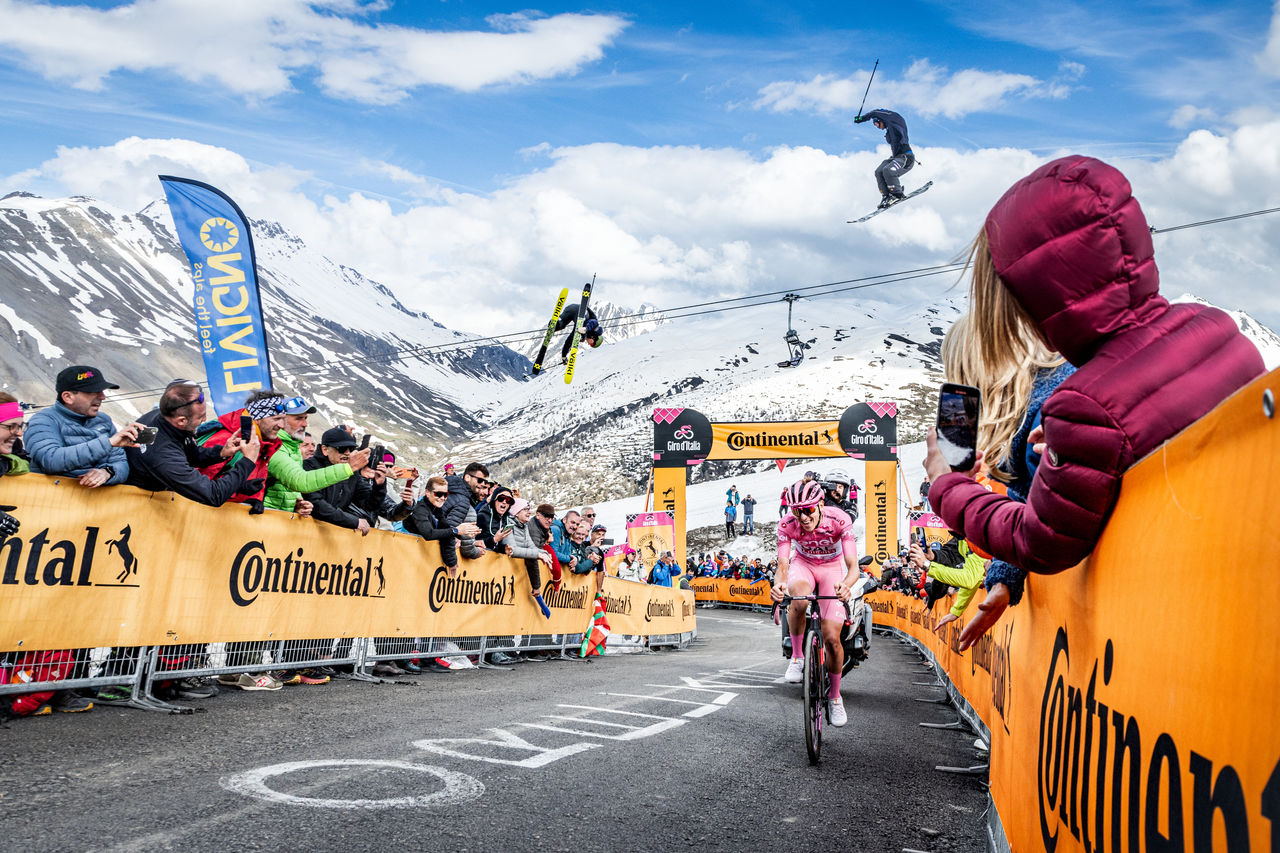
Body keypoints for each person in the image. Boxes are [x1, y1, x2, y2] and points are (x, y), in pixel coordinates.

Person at [924, 156, 1265, 648]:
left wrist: (945, 484)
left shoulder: (1084, 403)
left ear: (1040, 297)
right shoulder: (1214, 328)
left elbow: (1040, 541)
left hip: (1183, 634)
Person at [770, 478, 861, 727]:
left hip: (833, 568)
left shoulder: (840, 519)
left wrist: (846, 585)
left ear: (820, 504)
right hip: (804, 565)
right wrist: (779, 585)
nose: (803, 517)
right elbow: (783, 565)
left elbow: (853, 567)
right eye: (796, 511)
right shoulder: (787, 524)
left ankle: (834, 697)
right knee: (798, 598)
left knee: (832, 637)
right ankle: (798, 657)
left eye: (808, 509)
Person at [124, 380, 261, 506]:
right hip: (134, 507)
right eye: (201, 417)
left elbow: (191, 454)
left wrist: (221, 452)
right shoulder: (163, 455)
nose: (205, 419)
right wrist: (248, 461)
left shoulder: (165, 418)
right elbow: (213, 495)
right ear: (181, 420)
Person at [25, 364, 140, 487]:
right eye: (93, 391)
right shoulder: (43, 421)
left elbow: (120, 462)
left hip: (96, 503)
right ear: (68, 397)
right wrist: (108, 443)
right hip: (52, 501)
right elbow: (50, 460)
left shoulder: (104, 420)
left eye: (101, 391)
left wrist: (107, 472)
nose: (102, 397)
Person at [264, 396, 369, 516]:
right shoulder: (274, 447)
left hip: (277, 519)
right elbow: (300, 481)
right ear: (280, 421)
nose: (305, 424)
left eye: (305, 418)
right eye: (298, 419)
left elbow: (286, 487)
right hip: (260, 519)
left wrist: (296, 505)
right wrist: (348, 467)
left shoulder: (294, 449)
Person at [196, 389, 289, 510]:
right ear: (257, 419)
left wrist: (255, 498)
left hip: (226, 517)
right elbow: (200, 484)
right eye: (276, 419)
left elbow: (257, 480)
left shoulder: (263, 444)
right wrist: (238, 488)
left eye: (283, 419)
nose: (282, 425)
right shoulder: (226, 439)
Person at [502, 498, 553, 619]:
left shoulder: (524, 526)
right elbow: (512, 550)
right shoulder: (507, 524)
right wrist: (538, 555)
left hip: (514, 579)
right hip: (503, 577)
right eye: (525, 509)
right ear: (516, 511)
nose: (529, 512)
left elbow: (531, 547)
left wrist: (544, 553)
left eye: (529, 509)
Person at [853, 108, 914, 209]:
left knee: (888, 170)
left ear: (881, 120)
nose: (878, 128)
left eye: (877, 124)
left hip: (906, 157)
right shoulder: (889, 131)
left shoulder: (895, 122)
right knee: (879, 171)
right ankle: (886, 196)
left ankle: (897, 193)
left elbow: (876, 112)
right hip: (895, 158)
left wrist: (862, 118)